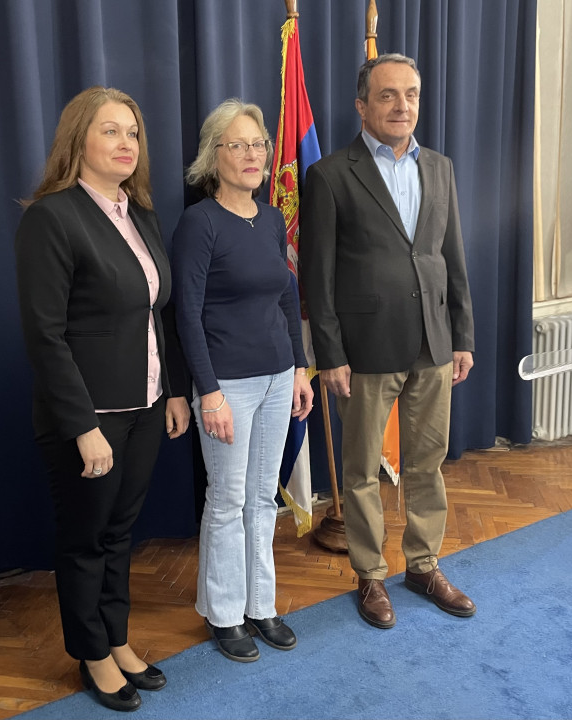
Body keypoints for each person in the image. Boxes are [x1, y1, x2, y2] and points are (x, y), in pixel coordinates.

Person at [14, 86, 190, 712]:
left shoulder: (140, 215)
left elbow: (159, 314)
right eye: (110, 131)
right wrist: (82, 426)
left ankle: (116, 638)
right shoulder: (51, 218)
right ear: (78, 140)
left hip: (146, 406)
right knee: (86, 539)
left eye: (132, 133)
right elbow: (45, 334)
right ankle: (91, 653)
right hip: (88, 417)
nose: (125, 143)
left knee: (120, 533)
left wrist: (173, 392)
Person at [300, 54, 476, 630]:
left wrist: (462, 337)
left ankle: (423, 566)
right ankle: (370, 575)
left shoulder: (441, 168)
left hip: (434, 341)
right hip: (364, 350)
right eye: (388, 95)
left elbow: (451, 258)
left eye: (411, 94)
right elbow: (317, 278)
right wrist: (330, 355)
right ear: (362, 105)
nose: (402, 106)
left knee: (428, 462)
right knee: (360, 472)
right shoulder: (330, 175)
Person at [172, 99, 314, 662]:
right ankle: (225, 613)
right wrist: (208, 393)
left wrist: (299, 367)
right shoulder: (200, 223)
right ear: (214, 156)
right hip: (226, 385)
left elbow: (286, 296)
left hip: (279, 377)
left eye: (259, 144)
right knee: (228, 500)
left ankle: (261, 605)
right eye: (239, 145)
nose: (253, 155)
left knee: (261, 497)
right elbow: (186, 314)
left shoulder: (273, 218)